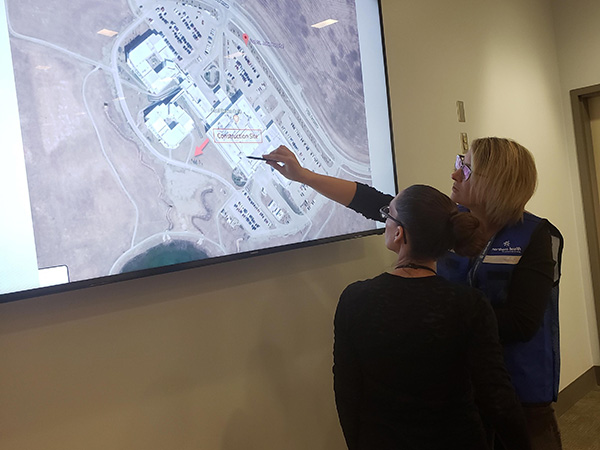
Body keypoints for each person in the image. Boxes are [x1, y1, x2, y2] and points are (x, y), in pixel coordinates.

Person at [264, 137, 564, 450]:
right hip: (458, 393)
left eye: (466, 168)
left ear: (497, 183)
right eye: (458, 162)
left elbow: (523, 322)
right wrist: (305, 176)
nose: (454, 174)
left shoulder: (535, 236)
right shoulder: (451, 221)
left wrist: (446, 319)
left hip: (518, 394)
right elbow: (375, 203)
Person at [332, 184, 530, 449]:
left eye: (387, 214)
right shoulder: (470, 305)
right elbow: (497, 395)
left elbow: (347, 393)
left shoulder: (354, 299)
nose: (385, 221)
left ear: (400, 233)